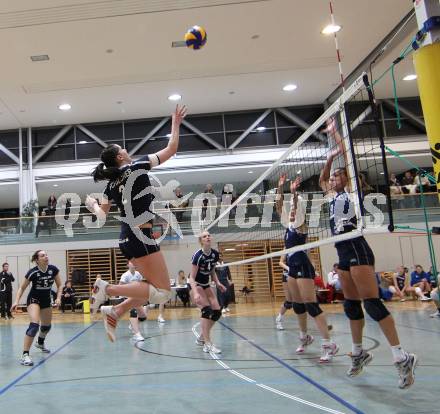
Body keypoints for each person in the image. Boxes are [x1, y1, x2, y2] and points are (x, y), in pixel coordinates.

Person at [319, 118, 417, 388]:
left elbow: (349, 159)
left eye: (340, 175)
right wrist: (329, 160)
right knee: (351, 305)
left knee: (372, 303)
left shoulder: (352, 194)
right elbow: (321, 179)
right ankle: (359, 352)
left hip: (358, 249)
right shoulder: (331, 195)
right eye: (335, 176)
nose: (335, 178)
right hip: (341, 251)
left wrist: (336, 135)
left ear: (348, 179)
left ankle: (401, 356)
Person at [87, 105, 187, 342]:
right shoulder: (137, 166)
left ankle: (116, 310)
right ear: (120, 157)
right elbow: (171, 149)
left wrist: (91, 203)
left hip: (127, 237)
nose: (126, 150)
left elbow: (101, 216)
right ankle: (106, 289)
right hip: (140, 236)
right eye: (123, 149)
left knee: (151, 287)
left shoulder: (110, 186)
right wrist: (175, 123)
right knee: (163, 292)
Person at [276, 173, 337, 361]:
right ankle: (304, 337)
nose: (291, 209)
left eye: (294, 207)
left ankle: (328, 344)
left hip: (303, 264)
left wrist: (294, 193)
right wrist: (280, 187)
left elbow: (294, 207)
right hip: (292, 267)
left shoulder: (301, 226)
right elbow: (278, 206)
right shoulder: (288, 225)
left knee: (311, 305)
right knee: (298, 306)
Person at [11, 250, 62, 366]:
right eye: (42, 255)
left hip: (46, 300)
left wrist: (58, 298)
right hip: (34, 299)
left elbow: (60, 285)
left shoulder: (53, 269)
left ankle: (40, 342)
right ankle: (25, 355)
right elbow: (22, 288)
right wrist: (16, 301)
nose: (46, 256)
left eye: (46, 254)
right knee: (34, 325)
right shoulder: (32, 272)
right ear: (37, 260)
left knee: (46, 327)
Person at [190, 231, 226, 354]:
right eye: (204, 236)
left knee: (216, 312)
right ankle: (207, 343)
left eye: (209, 235)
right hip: (197, 284)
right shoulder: (198, 256)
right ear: (201, 241)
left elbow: (212, 271)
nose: (208, 237)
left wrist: (218, 283)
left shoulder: (215, 254)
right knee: (206, 311)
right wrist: (195, 293)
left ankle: (201, 338)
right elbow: (192, 278)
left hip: (206, 284)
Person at [119, 261, 147, 342]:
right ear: (128, 265)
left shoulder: (138, 274)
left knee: (143, 316)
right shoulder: (125, 275)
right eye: (132, 262)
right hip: (126, 297)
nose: (134, 264)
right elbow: (119, 287)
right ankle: (137, 334)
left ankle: (132, 325)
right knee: (133, 312)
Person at [275, 254, 294, 330]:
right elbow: (280, 262)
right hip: (287, 274)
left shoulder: (302, 246)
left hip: (300, 272)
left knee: (307, 298)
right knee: (289, 301)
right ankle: (279, 319)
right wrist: (289, 268)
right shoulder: (287, 247)